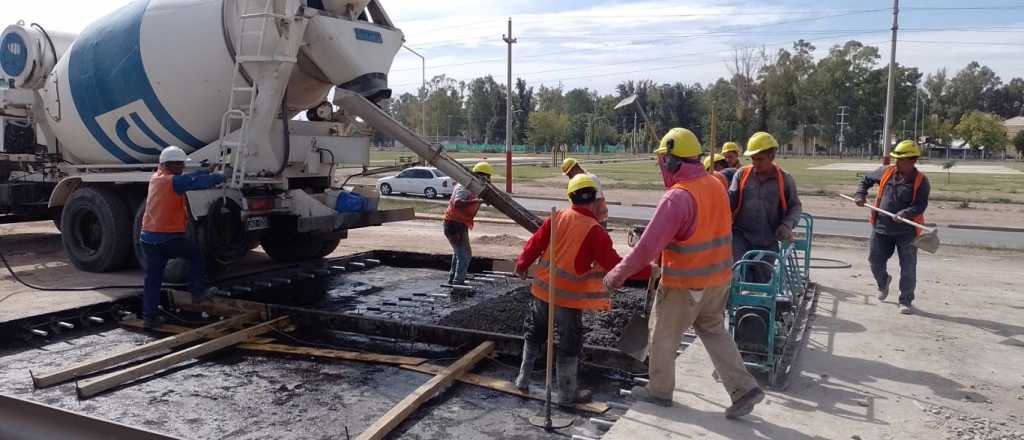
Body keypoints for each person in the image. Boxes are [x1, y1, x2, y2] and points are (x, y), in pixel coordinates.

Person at [604, 127, 764, 419]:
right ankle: (744, 388)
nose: (660, 168)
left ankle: (659, 392)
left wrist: (617, 274)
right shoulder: (715, 183)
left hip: (685, 284)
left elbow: (646, 248)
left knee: (662, 336)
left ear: (674, 162)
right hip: (719, 279)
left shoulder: (676, 198)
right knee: (714, 331)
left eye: (662, 161)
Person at [514, 174, 650, 404]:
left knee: (534, 333)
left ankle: (522, 379)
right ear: (596, 199)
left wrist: (521, 265)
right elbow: (615, 266)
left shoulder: (557, 217)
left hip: (542, 292)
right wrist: (649, 270)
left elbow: (534, 244)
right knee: (569, 343)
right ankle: (567, 394)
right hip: (567, 300)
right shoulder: (594, 230)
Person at [140, 146, 226, 329]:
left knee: (153, 279)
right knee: (196, 254)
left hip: (148, 238)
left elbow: (188, 178)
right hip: (166, 239)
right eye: (179, 164)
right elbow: (194, 182)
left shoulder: (158, 178)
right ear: (169, 164)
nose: (182, 167)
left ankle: (150, 317)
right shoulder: (172, 181)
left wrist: (203, 170)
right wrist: (219, 176)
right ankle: (197, 292)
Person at [852, 140, 930, 314]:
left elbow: (920, 205)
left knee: (908, 266)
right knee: (874, 260)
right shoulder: (885, 172)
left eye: (900, 159)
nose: (896, 162)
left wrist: (906, 213)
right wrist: (860, 195)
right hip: (881, 228)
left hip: (906, 232)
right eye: (896, 158)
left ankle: (906, 300)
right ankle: (883, 282)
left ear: (912, 160)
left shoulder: (921, 181)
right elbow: (865, 181)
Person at [729, 132, 802, 281]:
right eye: (753, 159)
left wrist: (786, 225)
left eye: (760, 159)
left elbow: (795, 207)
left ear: (772, 156)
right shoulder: (741, 175)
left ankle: (758, 303)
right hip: (740, 237)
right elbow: (729, 201)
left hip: (768, 240)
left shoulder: (785, 180)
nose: (755, 163)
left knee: (762, 281)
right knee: (738, 274)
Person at [442, 161, 492, 285]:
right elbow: (458, 202)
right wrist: (478, 201)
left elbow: (473, 201)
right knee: (464, 256)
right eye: (487, 177)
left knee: (460, 253)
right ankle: (458, 283)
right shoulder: (465, 185)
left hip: (459, 224)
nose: (488, 180)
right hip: (454, 225)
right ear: (481, 176)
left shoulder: (473, 186)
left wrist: (480, 200)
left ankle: (453, 279)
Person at [561, 158, 609, 227]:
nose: (569, 177)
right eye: (568, 175)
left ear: (576, 168)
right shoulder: (576, 182)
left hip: (598, 217)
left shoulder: (591, 178)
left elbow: (596, 202)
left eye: (570, 174)